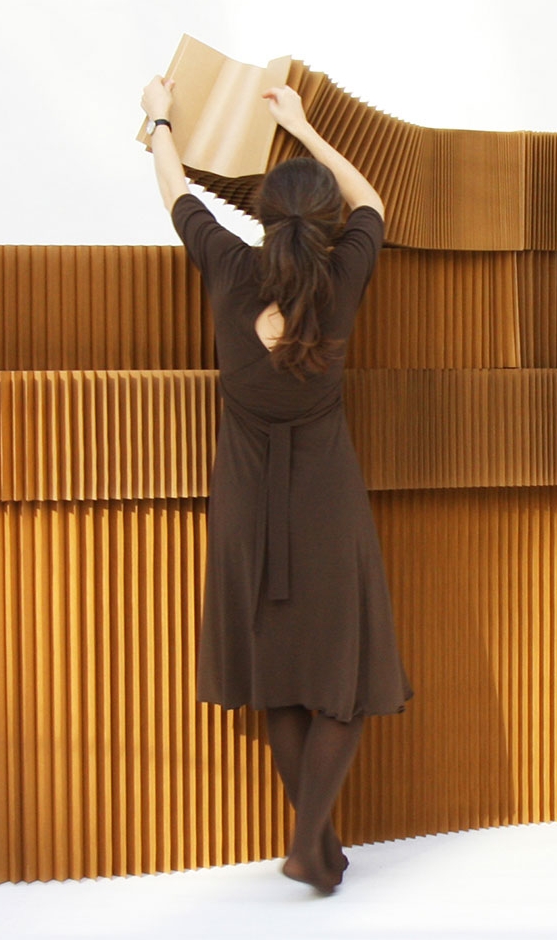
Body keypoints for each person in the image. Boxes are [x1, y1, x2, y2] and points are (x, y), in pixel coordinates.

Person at [141, 76, 412, 894]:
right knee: (341, 679)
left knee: (281, 679)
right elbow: (373, 204)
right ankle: (309, 844)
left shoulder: (227, 268)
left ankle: (317, 852)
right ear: (323, 222)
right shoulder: (343, 277)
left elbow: (173, 190)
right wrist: (302, 126)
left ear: (260, 216)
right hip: (327, 502)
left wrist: (158, 118)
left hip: (248, 507)